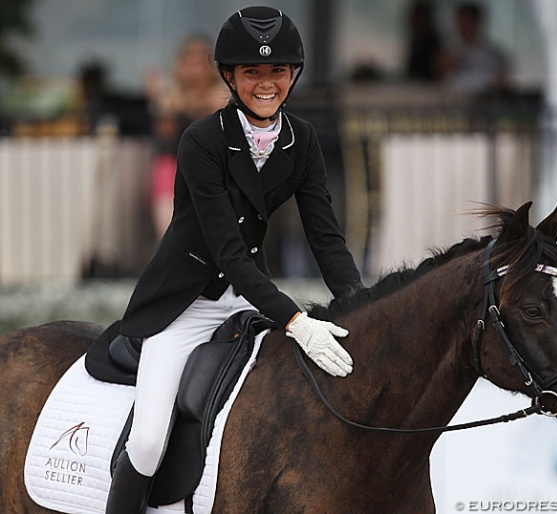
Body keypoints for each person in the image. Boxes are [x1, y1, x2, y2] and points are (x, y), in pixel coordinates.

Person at [104, 6, 363, 513]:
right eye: (252, 73)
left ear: (293, 75)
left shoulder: (301, 139)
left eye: (278, 72)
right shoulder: (201, 140)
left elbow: (326, 239)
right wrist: (295, 320)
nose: (266, 84)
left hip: (245, 307)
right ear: (229, 75)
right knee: (151, 438)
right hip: (182, 306)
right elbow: (228, 252)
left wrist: (359, 305)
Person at [145, 36, 230, 239]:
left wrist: (189, 105)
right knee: (170, 230)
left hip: (215, 169)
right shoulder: (169, 92)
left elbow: (219, 110)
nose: (196, 68)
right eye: (190, 61)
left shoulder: (223, 91)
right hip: (173, 165)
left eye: (202, 60)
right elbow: (164, 126)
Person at [439, 2, 510, 94]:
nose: (462, 27)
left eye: (466, 22)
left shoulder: (492, 54)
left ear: (476, 23)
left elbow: (500, 81)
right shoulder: (452, 53)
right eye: (460, 23)